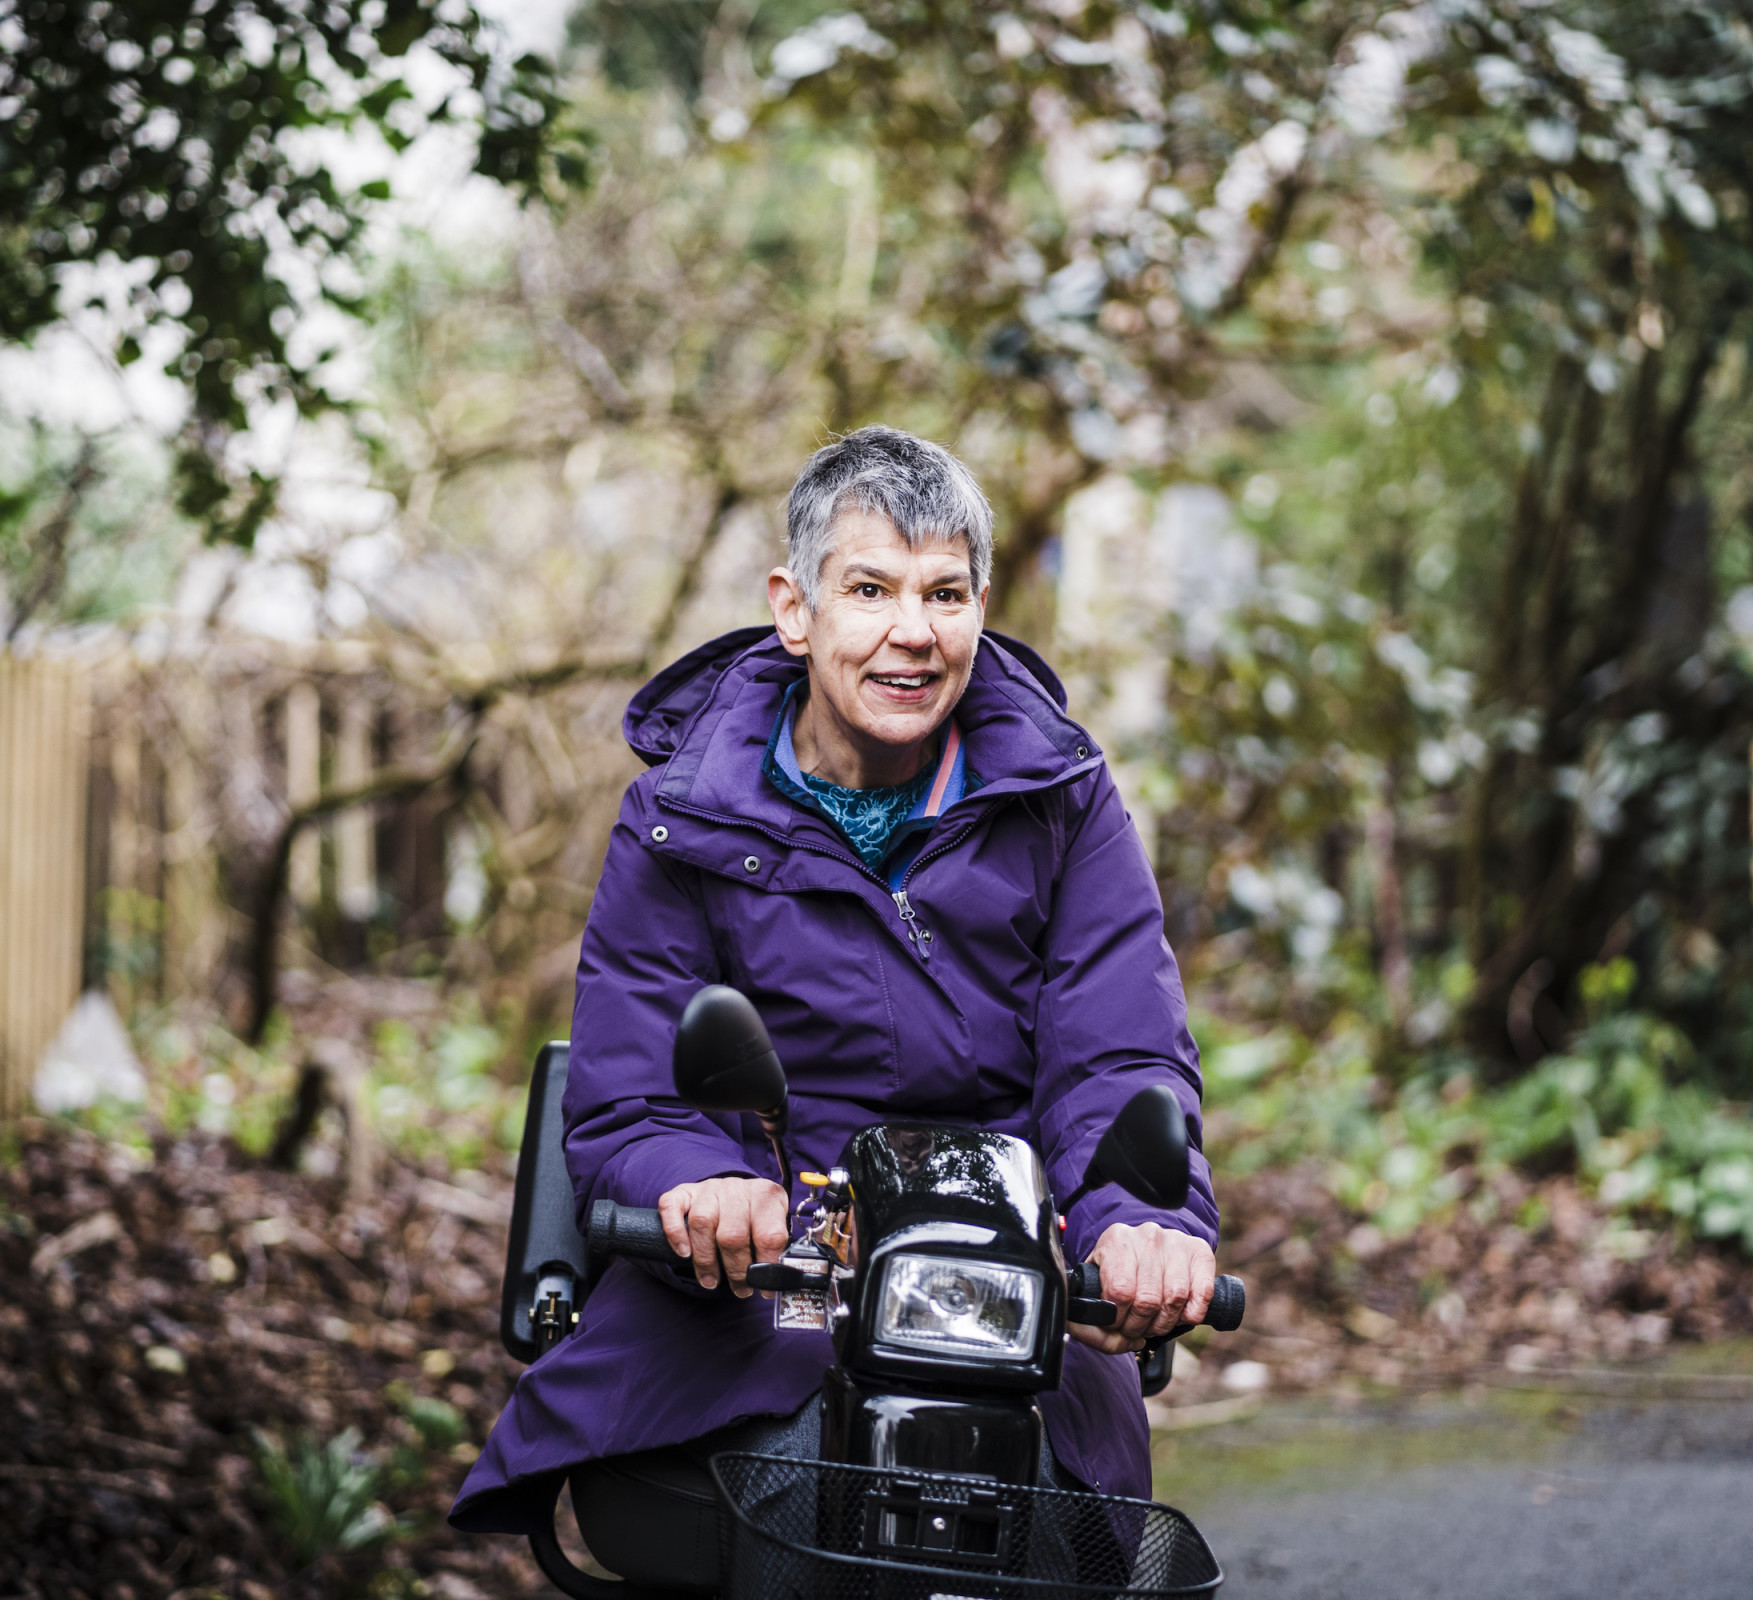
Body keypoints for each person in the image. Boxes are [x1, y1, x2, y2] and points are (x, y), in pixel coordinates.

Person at [451, 425, 1218, 1535]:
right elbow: (636, 1084)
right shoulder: (682, 816)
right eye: (870, 589)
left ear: (982, 606)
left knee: (1058, 1516)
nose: (913, 633)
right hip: (777, 1272)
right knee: (774, 1489)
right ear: (795, 608)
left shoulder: (1065, 797)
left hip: (996, 1270)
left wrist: (1137, 1220)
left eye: (945, 594)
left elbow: (1119, 1050)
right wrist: (697, 1178)